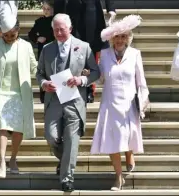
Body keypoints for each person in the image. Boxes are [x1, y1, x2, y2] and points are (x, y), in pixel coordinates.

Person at [36, 13, 100, 192]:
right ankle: (65, 161)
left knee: (72, 140)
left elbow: (95, 71)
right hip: (54, 100)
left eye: (61, 29)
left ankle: (67, 178)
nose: (58, 33)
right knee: (51, 136)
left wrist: (81, 80)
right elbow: (39, 73)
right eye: (55, 30)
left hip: (75, 100)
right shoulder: (47, 49)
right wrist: (43, 83)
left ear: (70, 29)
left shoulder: (84, 47)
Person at [90, 15, 149, 191]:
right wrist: (89, 73)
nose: (120, 40)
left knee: (127, 137)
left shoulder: (135, 54)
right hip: (110, 104)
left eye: (123, 36)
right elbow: (100, 79)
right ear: (111, 38)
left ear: (128, 38)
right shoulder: (105, 55)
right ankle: (118, 177)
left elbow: (142, 83)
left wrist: (143, 99)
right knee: (112, 141)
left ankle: (130, 153)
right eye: (117, 36)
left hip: (129, 105)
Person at [0, 13, 37, 179]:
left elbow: (34, 67)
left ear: (18, 30)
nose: (10, 38)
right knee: (2, 125)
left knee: (18, 130)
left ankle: (13, 159)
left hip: (20, 94)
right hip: (1, 93)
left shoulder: (26, 46)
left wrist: (46, 76)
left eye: (13, 35)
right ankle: (2, 162)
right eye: (6, 35)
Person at [54, 0, 116, 103]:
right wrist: (57, 12)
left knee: (90, 51)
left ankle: (89, 89)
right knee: (70, 47)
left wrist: (111, 8)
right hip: (71, 9)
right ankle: (68, 88)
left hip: (91, 10)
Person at [28, 0, 55, 103]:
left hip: (54, 50)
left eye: (48, 9)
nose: (46, 11)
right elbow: (31, 34)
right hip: (42, 51)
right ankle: (43, 95)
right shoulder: (39, 21)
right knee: (43, 72)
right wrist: (37, 38)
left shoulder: (55, 21)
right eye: (44, 9)